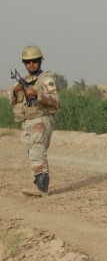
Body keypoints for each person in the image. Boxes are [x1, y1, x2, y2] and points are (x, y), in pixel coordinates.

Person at [8, 46, 61, 196]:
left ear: (40, 61)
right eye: (27, 62)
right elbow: (10, 97)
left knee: (37, 153)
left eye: (34, 61)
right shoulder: (22, 81)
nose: (31, 64)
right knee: (33, 152)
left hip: (41, 120)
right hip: (27, 122)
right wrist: (15, 90)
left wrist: (38, 94)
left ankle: (41, 188)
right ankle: (38, 183)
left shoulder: (46, 80)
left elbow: (56, 100)